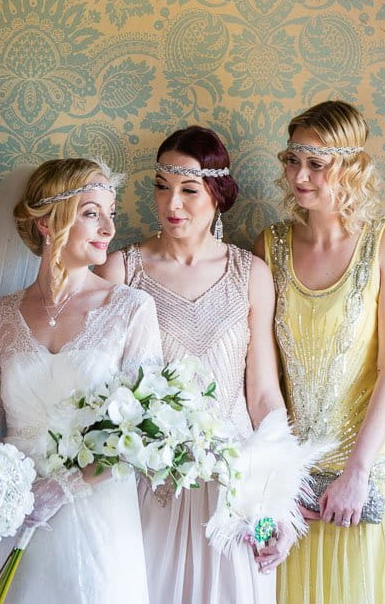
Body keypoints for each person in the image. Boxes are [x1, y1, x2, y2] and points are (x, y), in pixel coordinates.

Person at [99, 125, 292, 604]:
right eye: (162, 188)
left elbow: (264, 397)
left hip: (232, 491)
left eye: (189, 190)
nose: (172, 206)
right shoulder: (121, 270)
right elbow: (100, 393)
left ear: (218, 193)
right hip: (149, 486)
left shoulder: (251, 274)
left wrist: (274, 511)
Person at [254, 100, 385, 604]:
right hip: (295, 491)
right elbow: (262, 376)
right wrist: (277, 477)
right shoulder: (269, 246)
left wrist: (356, 474)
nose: (299, 176)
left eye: (317, 163)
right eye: (293, 160)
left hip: (370, 484)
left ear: (351, 166)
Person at [0, 157, 162, 604]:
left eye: (111, 213)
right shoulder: (0, 316)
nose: (109, 228)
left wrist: (64, 487)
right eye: (92, 213)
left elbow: (147, 431)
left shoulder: (131, 309)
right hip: (14, 513)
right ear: (47, 223)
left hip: (97, 512)